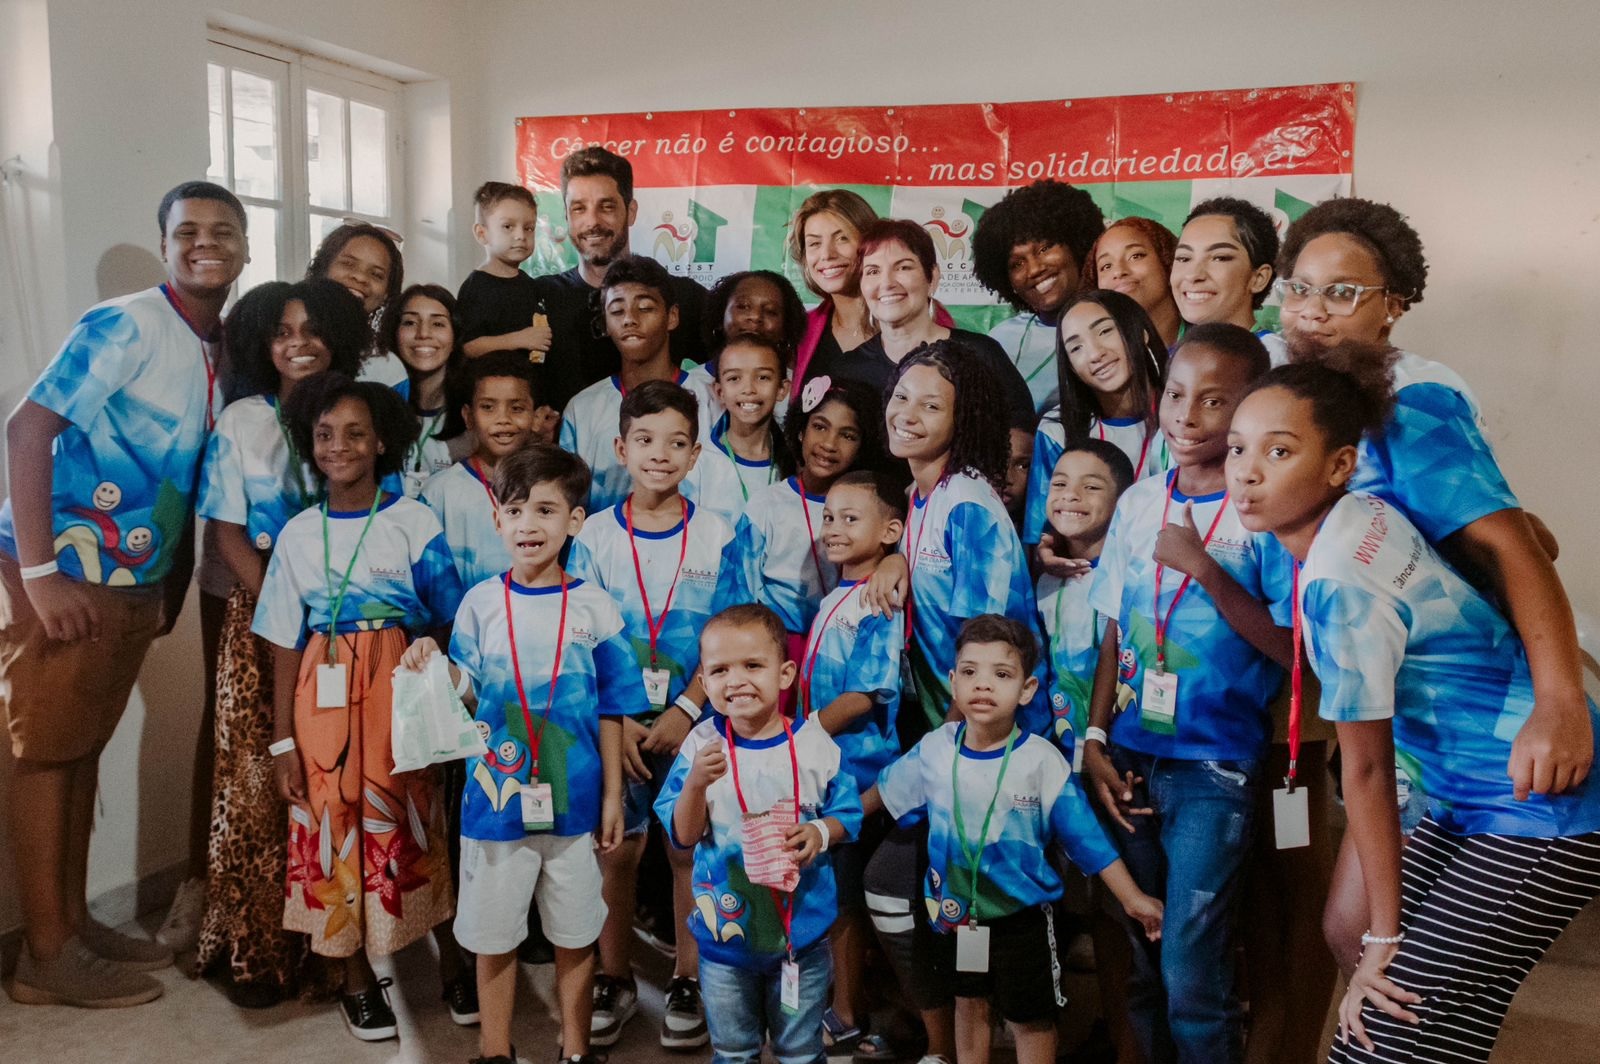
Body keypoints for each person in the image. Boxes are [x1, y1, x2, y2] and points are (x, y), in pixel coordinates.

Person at [1226, 356, 1600, 1064]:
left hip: (1539, 808)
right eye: (1239, 447)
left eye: (1279, 451)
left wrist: (1384, 940)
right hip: (1467, 796)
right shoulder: (1366, 514)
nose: (1247, 471)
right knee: (1428, 1037)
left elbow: (1365, 771)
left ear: (1339, 465)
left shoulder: (1339, 584)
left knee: (1375, 1034)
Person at [1275, 198, 1592, 981]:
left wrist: (1556, 701)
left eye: (1343, 292)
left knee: (1393, 955)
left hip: (1493, 731)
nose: (1314, 310)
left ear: (1394, 306)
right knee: (1353, 931)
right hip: (1415, 728)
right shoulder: (1308, 400)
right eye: (1300, 287)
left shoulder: (1410, 406)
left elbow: (1520, 547)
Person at [1, 181, 245, 1009]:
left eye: (222, 231)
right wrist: (39, 574)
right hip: (67, 578)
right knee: (46, 756)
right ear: (167, 242)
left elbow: (180, 478)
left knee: (80, 754)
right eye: (187, 231)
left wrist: (168, 582)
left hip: (128, 582)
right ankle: (44, 955)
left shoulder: (214, 345)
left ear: (245, 248)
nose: (205, 242)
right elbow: (28, 427)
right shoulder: (129, 321)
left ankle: (69, 924)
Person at [1081, 324, 1294, 1064]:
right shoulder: (1139, 501)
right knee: (1144, 957)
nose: (1186, 415)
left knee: (1190, 967)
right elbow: (1112, 629)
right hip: (1133, 759)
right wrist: (1095, 738)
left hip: (1215, 767)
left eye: (1213, 402)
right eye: (1176, 395)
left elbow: (1295, 651)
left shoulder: (1261, 511)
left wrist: (1206, 569)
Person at [405, 443, 640, 1064]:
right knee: (493, 935)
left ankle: (577, 1049)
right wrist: (436, 666)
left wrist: (615, 797)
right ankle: (494, 1051)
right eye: (515, 510)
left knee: (575, 933)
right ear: (498, 521)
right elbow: (469, 692)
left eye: (545, 509)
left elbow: (614, 709)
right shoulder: (480, 605)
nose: (529, 524)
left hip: (577, 804)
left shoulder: (596, 607)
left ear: (576, 520)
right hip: (495, 805)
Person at [252, 374, 466, 1040]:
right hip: (325, 692)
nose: (339, 446)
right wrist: (285, 742)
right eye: (324, 435)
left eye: (354, 433)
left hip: (397, 692)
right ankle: (353, 978)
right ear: (310, 446)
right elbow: (285, 642)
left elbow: (450, 615)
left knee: (411, 812)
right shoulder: (296, 534)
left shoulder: (412, 519)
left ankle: (452, 956)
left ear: (380, 442)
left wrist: (431, 663)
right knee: (331, 823)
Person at [864, 615, 1163, 1064]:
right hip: (955, 915)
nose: (982, 685)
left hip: (1021, 919)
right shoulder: (936, 748)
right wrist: (823, 827)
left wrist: (1133, 898)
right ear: (952, 682)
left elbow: (1088, 841)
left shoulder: (1042, 763)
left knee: (1031, 1019)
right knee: (968, 1004)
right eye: (970, 672)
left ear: (1026, 689)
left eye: (1001, 674)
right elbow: (882, 795)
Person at [191, 278, 365, 1006]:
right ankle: (257, 952)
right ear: (263, 342)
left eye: (312, 328)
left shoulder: (351, 414)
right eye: (281, 330)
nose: (298, 342)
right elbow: (226, 530)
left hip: (348, 631)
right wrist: (281, 609)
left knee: (335, 786)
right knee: (261, 786)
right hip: (262, 621)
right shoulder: (240, 420)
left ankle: (335, 951)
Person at [567, 380, 742, 1050]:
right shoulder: (594, 536)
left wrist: (688, 706)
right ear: (620, 448)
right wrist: (624, 717)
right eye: (644, 440)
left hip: (695, 719)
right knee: (617, 849)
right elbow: (580, 636)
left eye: (676, 443)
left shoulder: (723, 535)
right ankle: (614, 976)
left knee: (686, 848)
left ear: (696, 454)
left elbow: (734, 634)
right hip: (616, 723)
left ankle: (687, 977)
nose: (659, 455)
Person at [654, 603, 864, 1064]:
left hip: (801, 943)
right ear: (705, 684)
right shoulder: (699, 746)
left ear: (785, 673)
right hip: (724, 943)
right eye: (721, 670)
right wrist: (694, 784)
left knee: (800, 1051)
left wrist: (819, 831)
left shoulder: (814, 746)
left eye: (753, 665)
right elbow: (683, 837)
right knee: (732, 1051)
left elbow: (849, 814)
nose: (737, 680)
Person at [1032, 438, 1140, 1063]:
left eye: (1091, 486)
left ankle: (1134, 1043)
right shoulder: (1044, 578)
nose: (1070, 495)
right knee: (1097, 905)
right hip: (1061, 769)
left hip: (1118, 763)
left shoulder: (1130, 576)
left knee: (1129, 904)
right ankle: (1112, 1026)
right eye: (1060, 482)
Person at [802, 470, 907, 1055]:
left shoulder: (877, 598)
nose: (834, 528)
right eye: (829, 517)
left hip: (858, 774)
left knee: (846, 898)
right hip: (829, 771)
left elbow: (869, 691)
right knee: (834, 894)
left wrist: (806, 733)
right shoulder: (839, 594)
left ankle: (847, 1011)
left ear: (890, 531)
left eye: (851, 518)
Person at [722, 376, 887, 708]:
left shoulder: (873, 508)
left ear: (861, 446)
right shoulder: (766, 505)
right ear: (801, 430)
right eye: (820, 427)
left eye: (848, 435)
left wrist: (895, 563)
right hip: (774, 650)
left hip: (844, 648)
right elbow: (736, 597)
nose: (829, 443)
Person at [803, 219, 1034, 427]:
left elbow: (1020, 439)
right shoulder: (847, 371)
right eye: (873, 271)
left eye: (903, 267)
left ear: (932, 278)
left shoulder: (982, 355)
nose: (887, 283)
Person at [539, 147, 709, 413]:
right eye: (579, 209)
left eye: (606, 207)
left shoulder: (685, 297)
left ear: (630, 211)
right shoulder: (540, 298)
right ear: (566, 215)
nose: (592, 221)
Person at [558, 255, 723, 514]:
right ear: (605, 323)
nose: (629, 319)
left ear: (672, 317)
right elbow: (566, 508)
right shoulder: (582, 410)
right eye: (616, 311)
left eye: (645, 308)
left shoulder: (713, 400)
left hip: (695, 551)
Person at [1022, 290, 1170, 556]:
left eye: (1104, 332)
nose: (1095, 354)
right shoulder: (1058, 430)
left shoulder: (1181, 418)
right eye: (1076, 347)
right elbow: (1040, 535)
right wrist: (1045, 554)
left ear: (1141, 332)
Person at [972, 179, 1108, 415]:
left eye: (1044, 249)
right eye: (1017, 263)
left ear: (1077, 245)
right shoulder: (1000, 341)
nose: (1034, 269)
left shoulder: (1116, 327)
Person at [420, 351, 541, 589]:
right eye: (488, 407)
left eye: (517, 408)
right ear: (468, 417)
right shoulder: (439, 493)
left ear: (535, 416)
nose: (503, 419)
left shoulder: (550, 488)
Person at [456, 181, 559, 434]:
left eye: (529, 228)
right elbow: (468, 347)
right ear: (482, 233)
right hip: (491, 406)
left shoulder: (531, 285)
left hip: (527, 404)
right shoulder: (476, 286)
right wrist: (519, 339)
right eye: (507, 227)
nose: (520, 236)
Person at [1170, 198, 1284, 364]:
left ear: (1259, 278)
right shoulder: (1176, 357)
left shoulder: (1274, 358)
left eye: (1219, 258)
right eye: (1184, 258)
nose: (1193, 275)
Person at [383, 283, 470, 496]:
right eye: (410, 322)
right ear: (395, 333)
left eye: (438, 324)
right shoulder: (381, 408)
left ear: (455, 335)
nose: (423, 333)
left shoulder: (474, 412)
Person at [787, 188, 881, 384]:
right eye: (814, 243)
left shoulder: (921, 318)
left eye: (842, 238)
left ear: (871, 243)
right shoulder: (802, 331)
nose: (827, 254)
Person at [696, 333, 792, 522]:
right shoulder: (699, 463)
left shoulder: (794, 465)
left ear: (782, 389)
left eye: (763, 377)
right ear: (720, 391)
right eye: (734, 378)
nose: (748, 389)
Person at [307, 222, 410, 393]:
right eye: (348, 264)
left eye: (376, 274)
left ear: (386, 294)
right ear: (322, 269)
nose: (360, 277)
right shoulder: (283, 345)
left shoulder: (388, 370)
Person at [1084, 216, 1182, 349]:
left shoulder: (1211, 343)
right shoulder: (1104, 359)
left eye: (1135, 256)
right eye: (1106, 266)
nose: (1118, 271)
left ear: (1167, 260)